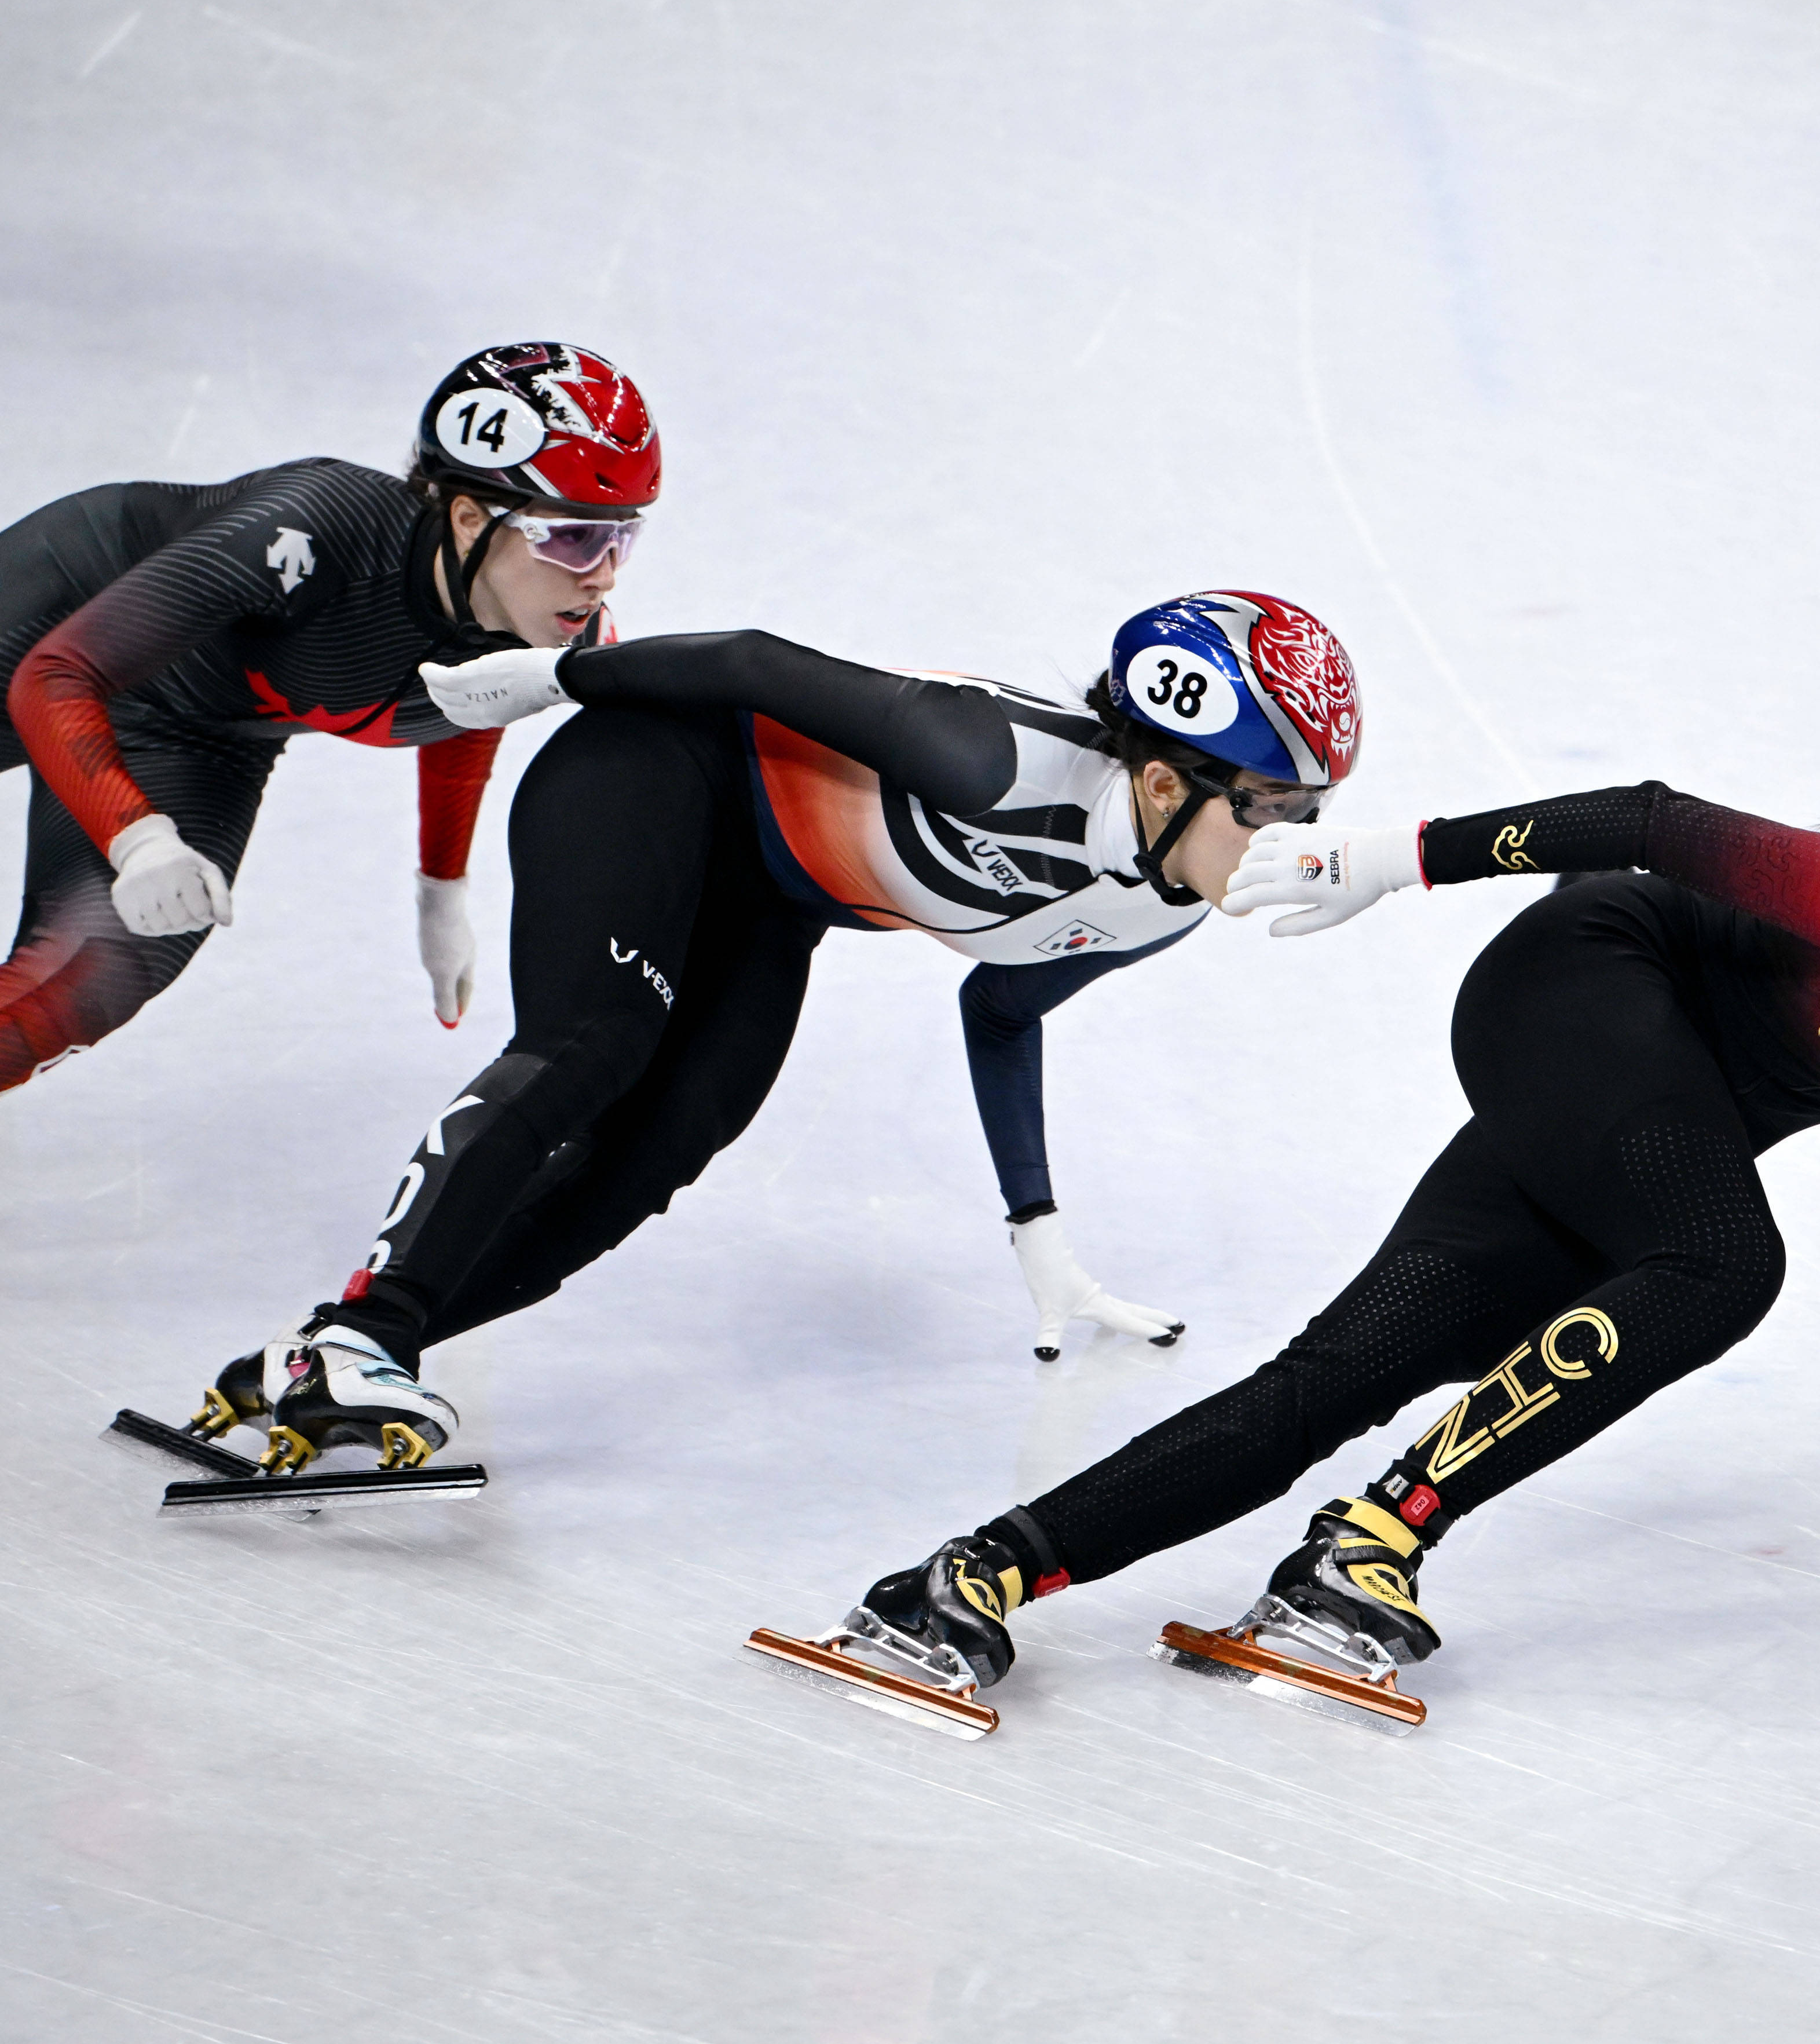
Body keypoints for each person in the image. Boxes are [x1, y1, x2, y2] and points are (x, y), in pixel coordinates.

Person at [801, 730, 1820, 1718]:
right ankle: (1380, 1535)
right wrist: (1393, 861)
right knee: (1726, 1267)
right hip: (1591, 991)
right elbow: (1655, 823)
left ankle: (966, 1581)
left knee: (1338, 1377)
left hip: (1665, 1125)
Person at [185, 591, 1364, 1471]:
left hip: (774, 896)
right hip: (651, 767)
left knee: (660, 1150)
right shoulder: (992, 758)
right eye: (1270, 810)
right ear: (1164, 784)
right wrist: (548, 678)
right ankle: (364, 1334)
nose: (1291, 841)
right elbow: (752, 662)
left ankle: (328, 1354)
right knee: (599, 1046)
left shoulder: (1165, 905)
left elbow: (1000, 1010)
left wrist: (1038, 1225)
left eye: (1310, 812)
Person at [0, 343, 657, 1086]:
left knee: (83, 987)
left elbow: (467, 703)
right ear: (470, 519)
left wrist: (442, 891)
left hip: (201, 737)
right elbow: (55, 674)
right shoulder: (315, 529)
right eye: (573, 536)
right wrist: (138, 840)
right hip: (79, 603)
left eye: (622, 535)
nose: (603, 575)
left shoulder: (550, 625)